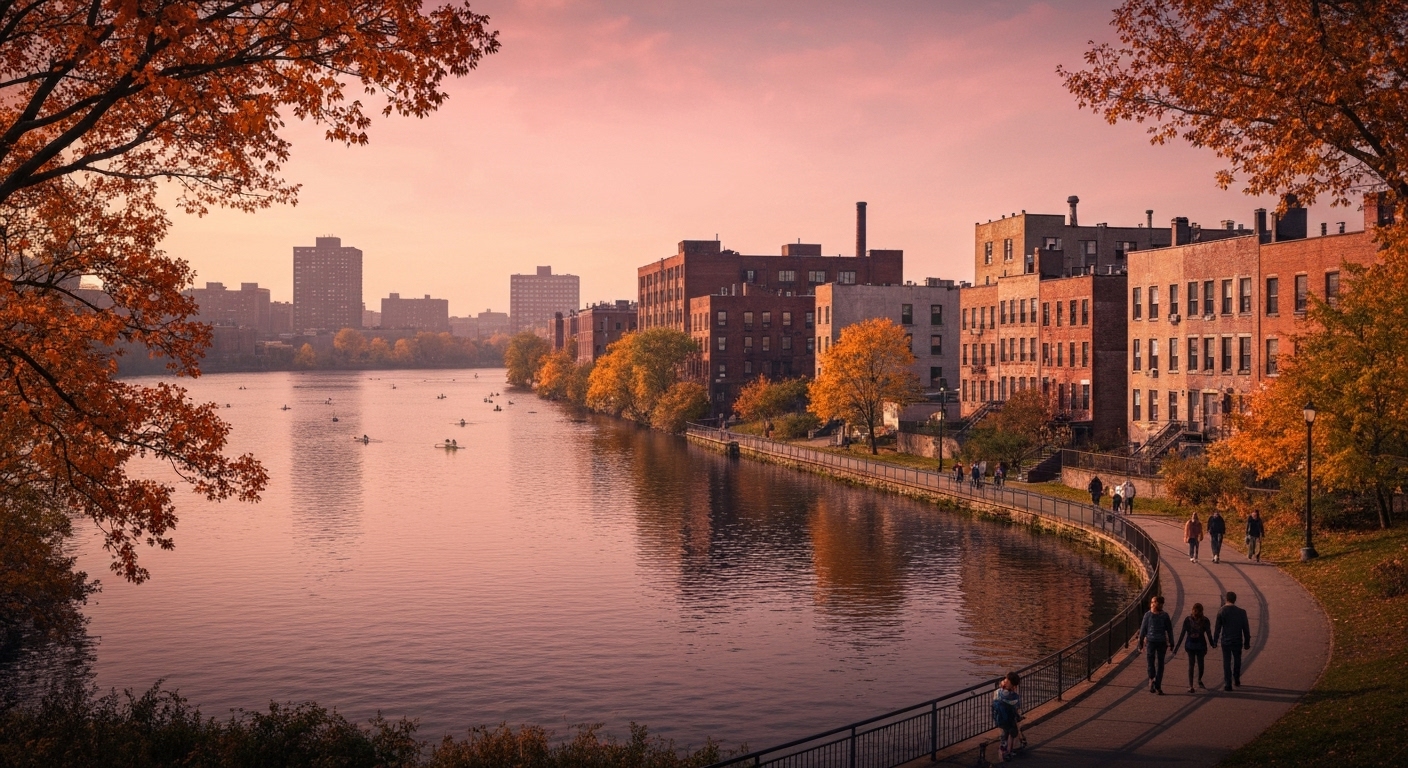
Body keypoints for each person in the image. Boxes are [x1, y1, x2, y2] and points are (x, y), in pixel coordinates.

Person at [1212, 591, 1252, 690]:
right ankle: (1237, 678)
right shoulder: (1242, 612)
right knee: (1237, 660)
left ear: (1226, 599)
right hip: (1237, 640)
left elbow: (1218, 628)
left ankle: (1228, 683)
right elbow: (1246, 628)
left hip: (1226, 641)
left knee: (1227, 662)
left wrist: (1215, 641)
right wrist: (1247, 642)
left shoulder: (1221, 611)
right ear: (1235, 600)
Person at [1138, 595, 1175, 694]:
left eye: (1152, 602)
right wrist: (1171, 643)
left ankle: (1152, 680)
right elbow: (1169, 630)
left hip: (1152, 642)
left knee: (1152, 662)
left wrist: (1140, 644)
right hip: (1159, 642)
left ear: (1156, 604)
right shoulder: (1164, 615)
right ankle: (1157, 684)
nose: (1151, 604)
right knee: (1160, 663)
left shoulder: (1148, 615)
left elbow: (1143, 630)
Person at [1173, 602, 1213, 692]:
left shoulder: (1188, 620)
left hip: (1190, 645)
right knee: (1200, 664)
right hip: (1200, 645)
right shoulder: (1205, 620)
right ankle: (1198, 680)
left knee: (1192, 665)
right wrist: (1212, 643)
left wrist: (1176, 648)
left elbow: (1182, 635)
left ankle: (1191, 685)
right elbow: (1209, 634)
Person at [991, 672, 1022, 761]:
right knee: (1010, 733)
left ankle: (1004, 752)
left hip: (999, 717)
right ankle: (1007, 752)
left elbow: (994, 702)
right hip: (1009, 718)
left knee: (1004, 734)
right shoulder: (1013, 696)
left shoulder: (999, 692)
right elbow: (1016, 706)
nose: (1004, 681)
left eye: (1005, 679)